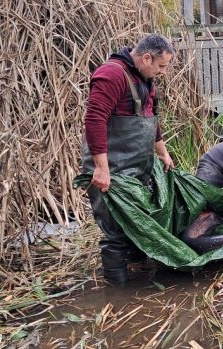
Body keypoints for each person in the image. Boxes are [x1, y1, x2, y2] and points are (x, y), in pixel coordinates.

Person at [82, 34, 175, 284]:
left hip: (137, 168)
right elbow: (94, 120)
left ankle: (138, 279)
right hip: (111, 169)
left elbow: (151, 120)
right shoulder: (111, 74)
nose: (163, 72)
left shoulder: (146, 78)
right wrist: (102, 169)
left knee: (138, 222)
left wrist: (163, 153)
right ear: (146, 58)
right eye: (161, 66)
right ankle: (116, 291)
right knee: (115, 230)